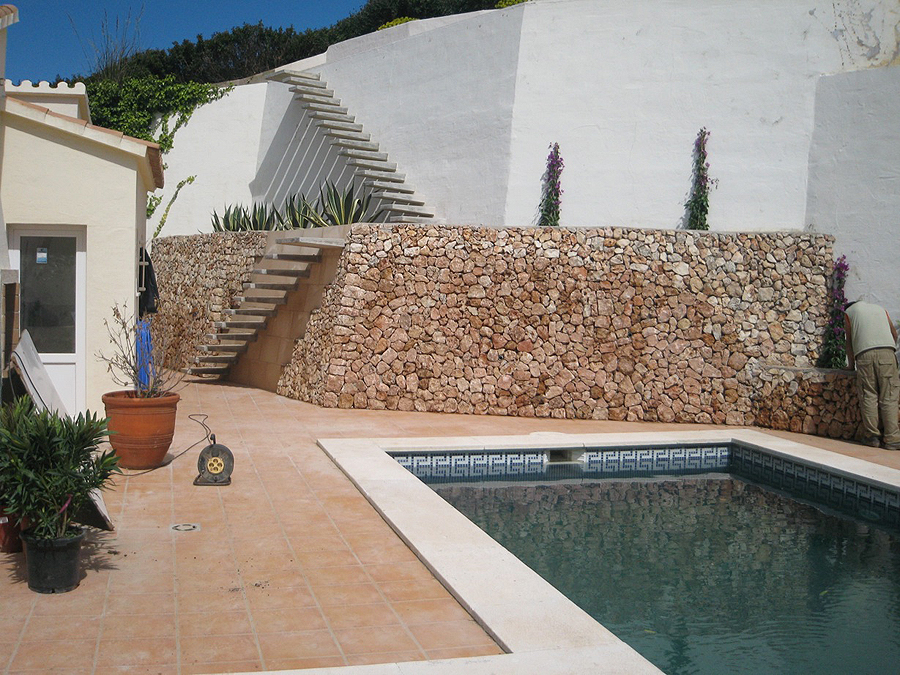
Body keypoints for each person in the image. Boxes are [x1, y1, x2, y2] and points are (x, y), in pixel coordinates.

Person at [844, 300, 900, 450]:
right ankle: (893, 439)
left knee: (868, 395)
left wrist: (850, 365)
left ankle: (872, 437)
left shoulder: (849, 313)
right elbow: (894, 334)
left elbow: (849, 341)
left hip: (865, 354)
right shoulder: (881, 309)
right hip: (887, 352)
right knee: (889, 396)